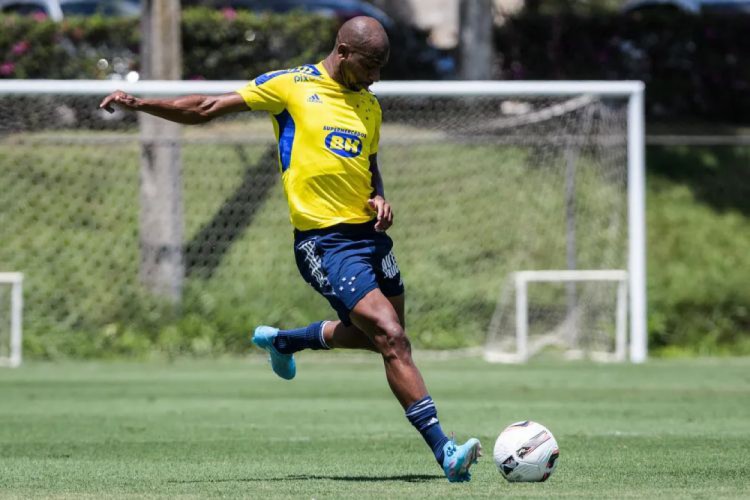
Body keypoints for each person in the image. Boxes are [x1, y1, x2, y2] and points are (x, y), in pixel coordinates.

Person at [99, 16, 481, 483]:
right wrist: (139, 103)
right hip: (324, 242)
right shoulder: (291, 86)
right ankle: (446, 452)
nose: (376, 75)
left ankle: (285, 341)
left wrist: (380, 196)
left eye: (382, 66)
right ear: (342, 52)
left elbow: (369, 164)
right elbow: (204, 107)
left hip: (370, 237)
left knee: (380, 336)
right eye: (370, 65)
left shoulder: (368, 105)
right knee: (391, 337)